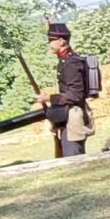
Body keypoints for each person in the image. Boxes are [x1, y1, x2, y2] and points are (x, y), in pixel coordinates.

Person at [40, 23, 95, 158]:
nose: (49, 44)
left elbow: (75, 95)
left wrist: (49, 98)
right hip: (68, 115)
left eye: (51, 40)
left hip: (74, 117)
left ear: (61, 41)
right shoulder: (65, 61)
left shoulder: (71, 63)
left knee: (74, 159)